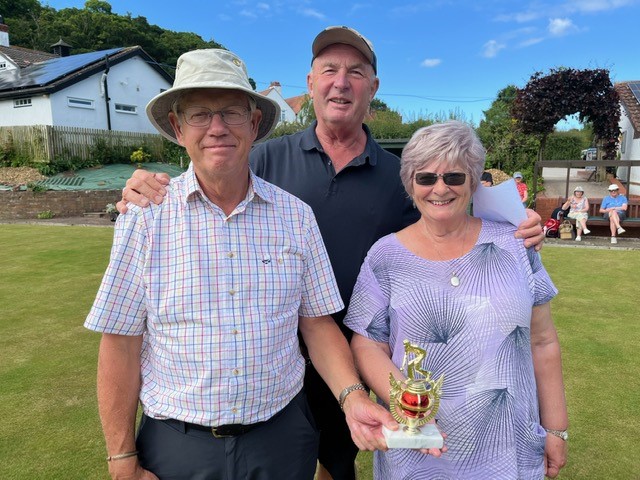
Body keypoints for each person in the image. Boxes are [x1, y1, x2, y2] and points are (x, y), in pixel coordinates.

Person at [116, 27, 546, 480]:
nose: (341, 82)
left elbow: (448, 226)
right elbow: (209, 172)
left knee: (338, 468)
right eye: (329, 70)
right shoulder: (263, 159)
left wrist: (517, 223)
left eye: (355, 72)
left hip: (356, 356)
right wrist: (143, 189)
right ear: (310, 82)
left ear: (373, 89)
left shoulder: (401, 176)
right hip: (274, 364)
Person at [84, 48, 397, 480]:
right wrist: (121, 459)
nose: (217, 128)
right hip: (178, 444)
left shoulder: (295, 215)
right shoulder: (144, 216)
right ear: (177, 127)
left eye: (232, 112)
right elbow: (120, 341)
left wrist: (352, 396)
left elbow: (318, 324)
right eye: (199, 114)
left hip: (283, 438)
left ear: (253, 124)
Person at [345, 121, 568, 479]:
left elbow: (543, 342)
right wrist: (408, 403)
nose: (440, 188)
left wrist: (556, 428)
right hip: (419, 450)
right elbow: (367, 343)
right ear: (409, 184)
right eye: (426, 178)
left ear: (474, 182)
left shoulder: (516, 243)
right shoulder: (385, 256)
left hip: (509, 448)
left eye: (454, 177)